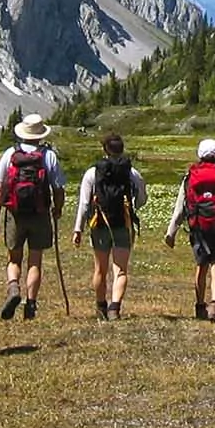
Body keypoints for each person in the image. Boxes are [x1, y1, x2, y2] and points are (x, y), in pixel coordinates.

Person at [0, 114, 66, 322]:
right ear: (40, 135)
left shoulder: (11, 153)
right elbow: (58, 189)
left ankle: (13, 287)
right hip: (39, 213)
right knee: (35, 259)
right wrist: (57, 209)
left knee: (14, 257)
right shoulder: (48, 156)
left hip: (14, 213)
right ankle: (31, 303)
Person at [71, 133, 147, 320]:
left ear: (104, 150)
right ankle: (115, 308)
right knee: (120, 269)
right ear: (122, 149)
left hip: (99, 224)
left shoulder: (93, 172)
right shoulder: (131, 172)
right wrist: (131, 208)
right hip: (122, 222)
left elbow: (84, 203)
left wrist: (78, 229)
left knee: (100, 269)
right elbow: (143, 197)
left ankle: (100, 306)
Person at [165, 138, 215, 322]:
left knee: (202, 266)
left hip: (198, 226)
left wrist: (171, 232)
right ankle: (214, 305)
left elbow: (180, 207)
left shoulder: (190, 176)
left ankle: (200, 305)